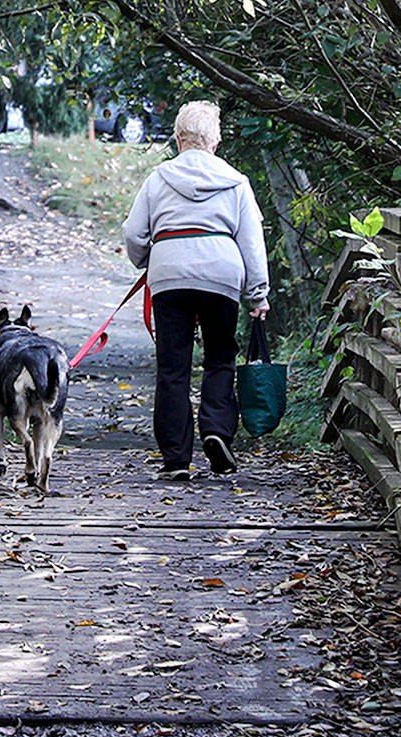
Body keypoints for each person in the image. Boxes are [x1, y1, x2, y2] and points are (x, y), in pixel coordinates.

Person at [121, 100, 270, 481]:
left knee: (173, 367)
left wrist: (147, 260)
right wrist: (258, 294)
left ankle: (175, 458)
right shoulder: (236, 181)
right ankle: (217, 432)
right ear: (215, 142)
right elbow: (252, 242)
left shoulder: (158, 178)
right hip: (221, 274)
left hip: (170, 276)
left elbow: (134, 233)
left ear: (177, 138)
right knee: (220, 357)